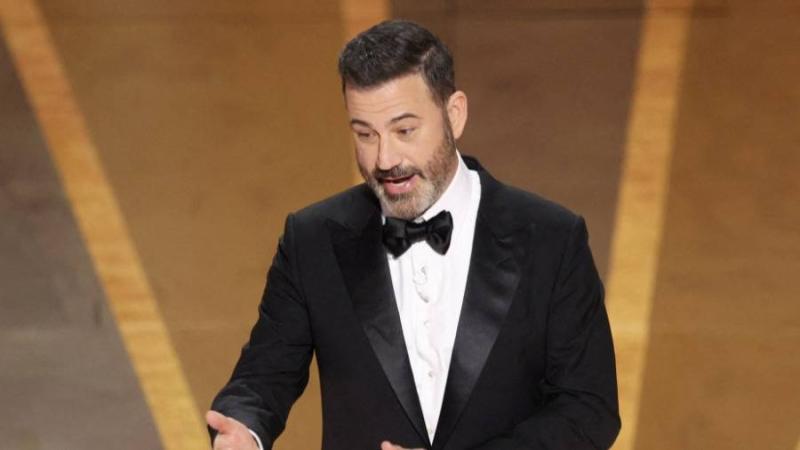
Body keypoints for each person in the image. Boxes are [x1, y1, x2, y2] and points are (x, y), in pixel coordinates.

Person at [207, 19, 620, 450]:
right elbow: (263, 377)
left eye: (404, 130)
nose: (385, 159)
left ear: (454, 115)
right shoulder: (312, 240)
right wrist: (245, 430)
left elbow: (589, 411)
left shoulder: (552, 240)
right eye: (365, 134)